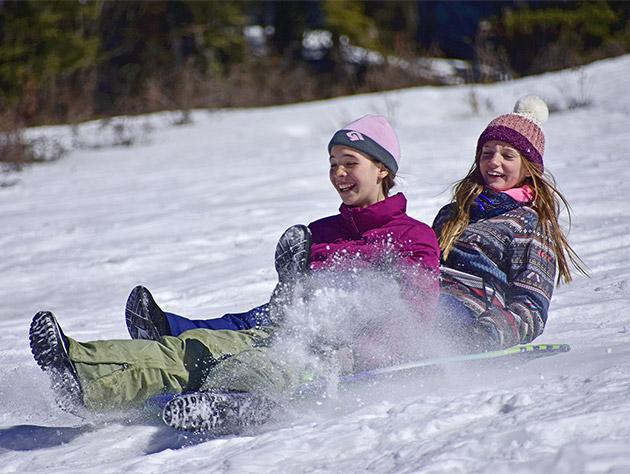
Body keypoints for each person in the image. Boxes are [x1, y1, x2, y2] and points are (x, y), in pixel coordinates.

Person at [29, 115, 440, 428]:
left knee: (265, 365)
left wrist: (360, 351)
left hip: (339, 353)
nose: (338, 174)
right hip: (283, 329)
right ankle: (82, 374)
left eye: (349, 163)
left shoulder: (412, 237)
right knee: (194, 348)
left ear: (382, 169)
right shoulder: (320, 232)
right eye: (333, 164)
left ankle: (229, 401)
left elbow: (414, 317)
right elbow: (286, 305)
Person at [432, 95, 586, 354]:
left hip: (471, 313)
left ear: (529, 168)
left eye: (507, 156)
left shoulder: (530, 224)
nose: (494, 162)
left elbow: (531, 305)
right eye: (487, 153)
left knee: (431, 314)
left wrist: (488, 334)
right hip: (426, 296)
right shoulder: (453, 213)